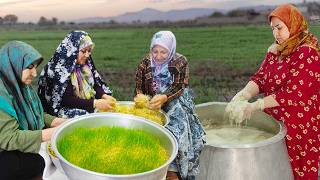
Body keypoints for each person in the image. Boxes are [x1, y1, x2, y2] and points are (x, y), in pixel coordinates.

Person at [226, 4, 320, 179]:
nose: (276, 33)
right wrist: (245, 93)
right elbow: (261, 77)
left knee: (297, 172)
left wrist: (257, 105)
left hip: (299, 128)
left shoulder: (307, 53)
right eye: (272, 29)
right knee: (274, 169)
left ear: (293, 25)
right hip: (275, 124)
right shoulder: (276, 50)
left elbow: (294, 92)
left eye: (280, 28)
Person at [134, 31, 206, 180]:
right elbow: (139, 88)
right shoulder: (144, 64)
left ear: (171, 50)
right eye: (155, 51)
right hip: (152, 104)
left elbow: (179, 87)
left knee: (178, 135)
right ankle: (156, 169)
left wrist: (165, 97)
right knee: (150, 134)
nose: (158, 56)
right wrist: (142, 99)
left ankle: (177, 172)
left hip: (176, 101)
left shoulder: (180, 61)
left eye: (163, 52)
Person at [0, 41, 65, 179]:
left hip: (12, 144)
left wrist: (57, 122)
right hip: (3, 150)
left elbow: (36, 113)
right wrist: (54, 132)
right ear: (13, 65)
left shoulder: (21, 86)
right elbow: (9, 138)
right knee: (35, 163)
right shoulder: (1, 96)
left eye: (35, 67)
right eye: (29, 67)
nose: (35, 73)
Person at [38, 30, 116, 118]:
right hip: (60, 108)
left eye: (89, 51)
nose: (87, 55)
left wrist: (104, 95)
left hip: (83, 103)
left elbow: (95, 85)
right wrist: (95, 103)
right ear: (73, 50)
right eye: (83, 51)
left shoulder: (85, 65)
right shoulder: (59, 69)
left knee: (107, 109)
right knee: (85, 116)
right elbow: (66, 100)